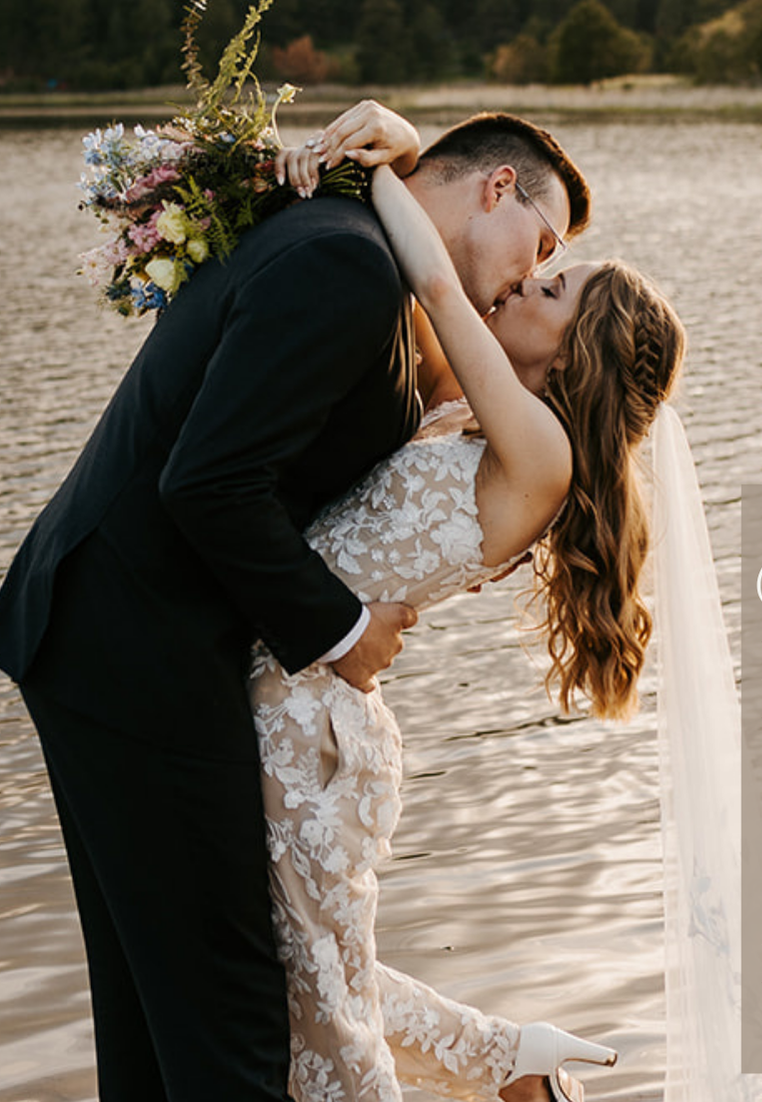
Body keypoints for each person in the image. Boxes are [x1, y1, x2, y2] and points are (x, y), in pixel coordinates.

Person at [0, 103, 588, 1102]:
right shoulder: (343, 264)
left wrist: (388, 153)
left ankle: (510, 1065)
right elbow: (205, 482)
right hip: (141, 653)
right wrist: (347, 627)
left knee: (159, 1024)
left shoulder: (360, 253)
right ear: (494, 188)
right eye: (543, 241)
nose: (530, 271)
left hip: (116, 641)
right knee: (230, 1034)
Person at [256, 142, 686, 1102]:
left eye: (553, 288)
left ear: (576, 353)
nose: (527, 283)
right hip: (294, 691)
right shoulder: (476, 411)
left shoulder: (541, 454)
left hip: (305, 720)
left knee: (319, 1004)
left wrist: (381, 171)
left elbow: (440, 287)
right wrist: (405, 156)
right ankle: (512, 1062)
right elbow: (426, 301)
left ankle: (509, 1062)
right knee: (315, 985)